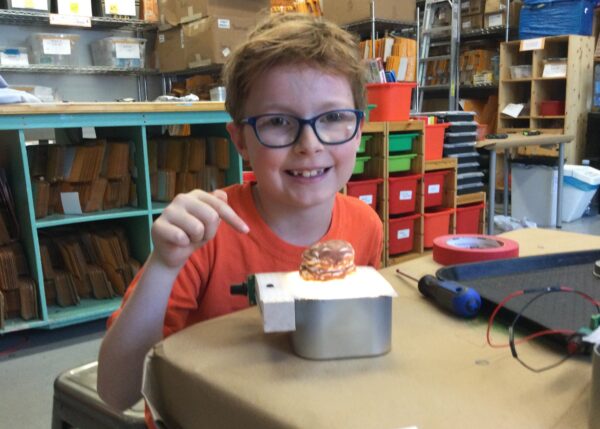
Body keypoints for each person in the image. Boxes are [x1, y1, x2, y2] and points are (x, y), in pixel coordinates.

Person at [97, 12, 383, 424]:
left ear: (358, 129)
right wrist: (165, 264)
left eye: (333, 118)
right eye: (279, 122)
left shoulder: (365, 226)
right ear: (240, 141)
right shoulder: (204, 236)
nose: (309, 145)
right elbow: (115, 390)